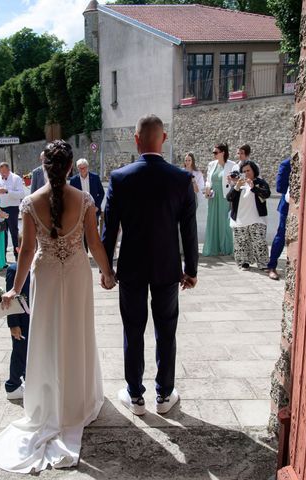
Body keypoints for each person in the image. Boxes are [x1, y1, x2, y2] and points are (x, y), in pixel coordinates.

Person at [0, 140, 116, 473]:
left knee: (47, 337)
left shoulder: (30, 202)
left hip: (45, 275)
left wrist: (15, 289)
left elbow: (26, 251)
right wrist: (107, 272)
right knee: (77, 333)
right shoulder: (84, 199)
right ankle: (76, 400)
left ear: (44, 166)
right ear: (71, 167)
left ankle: (48, 401)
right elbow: (94, 242)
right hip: (75, 274)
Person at [102, 114, 198, 417]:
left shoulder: (120, 178)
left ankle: (136, 397)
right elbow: (189, 229)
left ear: (136, 140)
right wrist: (191, 269)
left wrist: (107, 270)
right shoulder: (182, 179)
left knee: (133, 330)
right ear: (164, 139)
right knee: (166, 331)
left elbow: (110, 228)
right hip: (168, 268)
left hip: (130, 267)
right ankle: (164, 395)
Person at [226, 160, 271, 270]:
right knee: (241, 243)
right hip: (240, 220)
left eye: (248, 170)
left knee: (259, 242)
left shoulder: (260, 182)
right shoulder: (239, 184)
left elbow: (266, 194)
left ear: (254, 170)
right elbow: (229, 198)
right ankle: (243, 263)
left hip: (257, 219)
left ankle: (263, 263)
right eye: (244, 171)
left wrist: (253, 187)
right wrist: (236, 187)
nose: (246, 173)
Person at [3, 237, 30, 400]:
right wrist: (13, 324)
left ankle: (28, 379)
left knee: (30, 351)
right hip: (20, 320)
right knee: (20, 352)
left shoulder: (38, 268)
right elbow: (10, 300)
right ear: (18, 249)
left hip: (35, 317)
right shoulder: (14, 269)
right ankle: (12, 386)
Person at [202, 143, 236, 256]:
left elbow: (236, 182)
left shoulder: (232, 165)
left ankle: (225, 248)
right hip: (213, 195)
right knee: (212, 220)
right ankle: (212, 248)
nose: (214, 154)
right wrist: (207, 187)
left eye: (216, 152)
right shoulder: (211, 164)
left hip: (225, 196)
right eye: (213, 152)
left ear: (223, 153)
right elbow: (208, 179)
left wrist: (231, 180)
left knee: (224, 222)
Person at [70, 158, 105, 250]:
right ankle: (85, 251)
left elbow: (101, 193)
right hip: (80, 210)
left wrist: (97, 206)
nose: (83, 170)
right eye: (80, 168)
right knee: (82, 231)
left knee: (93, 231)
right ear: (78, 169)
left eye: (84, 167)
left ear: (87, 167)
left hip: (93, 209)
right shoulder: (74, 180)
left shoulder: (95, 177)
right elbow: (71, 197)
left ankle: (94, 249)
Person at [267, 157, 291, 280]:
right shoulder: (286, 164)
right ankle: (272, 266)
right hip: (288, 205)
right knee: (281, 235)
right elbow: (279, 187)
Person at [0, 162, 25, 260]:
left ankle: (17, 256)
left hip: (12, 208)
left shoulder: (16, 178)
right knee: (2, 232)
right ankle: (2, 257)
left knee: (14, 232)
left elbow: (21, 194)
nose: (2, 174)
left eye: (4, 172)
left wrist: (8, 191)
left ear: (8, 170)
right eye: (0, 172)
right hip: (1, 209)